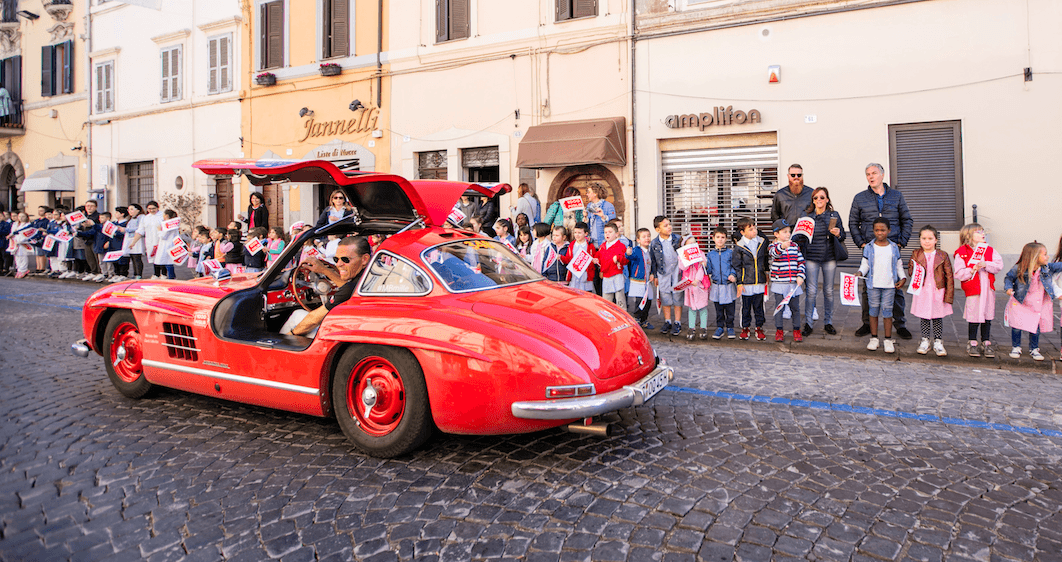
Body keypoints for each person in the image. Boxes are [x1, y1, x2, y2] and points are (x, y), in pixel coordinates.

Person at [849, 163, 914, 339]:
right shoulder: (860, 198)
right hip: (870, 249)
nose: (871, 177)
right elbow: (853, 223)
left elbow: (907, 219)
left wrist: (901, 242)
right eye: (868, 174)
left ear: (882, 175)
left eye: (874, 173)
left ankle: (899, 324)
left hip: (892, 249)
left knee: (896, 287)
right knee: (867, 287)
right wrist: (861, 243)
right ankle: (866, 323)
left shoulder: (896, 196)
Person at [282, 236, 371, 337]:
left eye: (346, 260)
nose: (338, 264)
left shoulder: (351, 287)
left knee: (297, 316)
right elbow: (348, 289)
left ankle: (278, 350)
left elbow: (313, 320)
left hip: (347, 334)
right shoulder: (369, 277)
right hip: (360, 328)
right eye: (336, 259)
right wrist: (324, 270)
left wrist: (289, 336)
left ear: (364, 259)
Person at [798, 187, 846, 337]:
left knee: (829, 292)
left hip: (829, 257)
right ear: (812, 200)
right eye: (815, 198)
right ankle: (809, 323)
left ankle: (828, 322)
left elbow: (843, 235)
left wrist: (838, 233)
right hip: (811, 257)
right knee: (811, 291)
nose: (818, 200)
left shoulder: (834, 215)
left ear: (827, 199)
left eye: (821, 197)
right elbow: (799, 237)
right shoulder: (807, 216)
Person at [1004, 242, 1062, 362]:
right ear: (1034, 257)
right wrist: (1008, 288)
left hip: (1037, 302)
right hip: (1021, 301)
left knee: (1036, 326)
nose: (1047, 257)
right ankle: (1016, 347)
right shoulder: (1019, 268)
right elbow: (1009, 277)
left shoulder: (1047, 268)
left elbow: (1060, 266)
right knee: (1017, 325)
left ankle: (1034, 348)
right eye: (1044, 254)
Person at [952, 223, 1003, 358]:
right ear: (969, 235)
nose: (983, 234)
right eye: (978, 232)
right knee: (974, 315)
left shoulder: (990, 250)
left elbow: (999, 265)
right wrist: (971, 269)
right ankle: (972, 341)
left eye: (983, 231)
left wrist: (986, 264)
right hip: (974, 290)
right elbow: (958, 273)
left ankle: (986, 341)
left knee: (987, 315)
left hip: (987, 289)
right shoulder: (962, 252)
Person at [858, 218, 908, 354]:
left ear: (889, 231)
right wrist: (860, 272)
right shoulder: (869, 247)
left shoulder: (893, 248)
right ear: (873, 231)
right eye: (877, 230)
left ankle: (887, 339)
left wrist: (903, 278)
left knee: (887, 312)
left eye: (883, 230)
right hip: (873, 285)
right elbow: (865, 264)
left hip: (889, 285)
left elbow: (898, 264)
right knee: (873, 311)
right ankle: (874, 338)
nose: (880, 233)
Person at [908, 225, 954, 356]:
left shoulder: (942, 255)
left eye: (930, 238)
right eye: (923, 238)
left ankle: (938, 341)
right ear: (919, 240)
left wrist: (949, 295)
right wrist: (913, 268)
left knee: (937, 316)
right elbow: (911, 271)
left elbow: (949, 276)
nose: (926, 241)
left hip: (938, 290)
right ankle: (925, 340)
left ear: (936, 240)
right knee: (924, 316)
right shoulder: (916, 254)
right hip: (922, 290)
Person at [769, 219, 806, 343]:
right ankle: (779, 330)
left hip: (793, 284)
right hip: (779, 283)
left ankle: (796, 329)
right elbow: (774, 254)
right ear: (776, 234)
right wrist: (782, 246)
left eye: (789, 232)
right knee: (779, 307)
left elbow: (801, 262)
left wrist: (800, 275)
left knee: (795, 308)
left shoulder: (795, 246)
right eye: (784, 232)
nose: (788, 234)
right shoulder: (773, 246)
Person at [733, 217, 769, 341]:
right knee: (746, 307)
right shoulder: (739, 247)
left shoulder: (762, 242)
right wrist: (739, 282)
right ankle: (745, 327)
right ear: (742, 232)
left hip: (759, 280)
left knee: (759, 306)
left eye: (754, 228)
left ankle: (759, 327)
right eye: (751, 229)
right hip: (746, 282)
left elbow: (764, 259)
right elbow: (737, 266)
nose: (754, 231)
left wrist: (766, 273)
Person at [651, 215, 683, 336]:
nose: (669, 227)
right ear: (658, 229)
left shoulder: (678, 239)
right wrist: (654, 275)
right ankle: (668, 321)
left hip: (676, 272)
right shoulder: (654, 243)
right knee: (665, 297)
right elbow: (653, 260)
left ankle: (677, 322)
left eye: (669, 224)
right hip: (663, 273)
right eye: (665, 226)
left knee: (677, 297)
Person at [706, 227, 737, 340]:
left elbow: (735, 266)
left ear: (726, 239)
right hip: (716, 285)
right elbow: (708, 270)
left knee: (730, 308)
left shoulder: (730, 253)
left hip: (728, 285)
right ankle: (720, 327)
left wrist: (733, 275)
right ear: (713, 238)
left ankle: (730, 327)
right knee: (718, 309)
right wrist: (704, 264)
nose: (720, 240)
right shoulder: (710, 255)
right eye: (718, 237)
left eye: (723, 237)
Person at [681, 237, 710, 341]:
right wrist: (685, 259)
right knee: (691, 308)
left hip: (700, 285)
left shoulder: (701, 253)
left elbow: (703, 268)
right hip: (689, 286)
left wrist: (697, 280)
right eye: (689, 244)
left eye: (694, 243)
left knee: (703, 307)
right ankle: (691, 327)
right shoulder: (683, 256)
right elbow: (682, 268)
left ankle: (703, 327)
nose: (692, 245)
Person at [596, 221, 631, 308]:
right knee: (607, 301)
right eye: (605, 232)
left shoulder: (621, 246)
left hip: (616, 274)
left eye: (610, 232)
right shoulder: (603, 246)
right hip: (606, 276)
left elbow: (626, 260)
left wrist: (618, 258)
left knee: (620, 300)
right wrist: (595, 260)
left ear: (616, 234)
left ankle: (622, 318)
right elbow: (599, 258)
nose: (607, 234)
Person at [627, 228, 655, 331]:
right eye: (644, 237)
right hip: (638, 281)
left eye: (648, 236)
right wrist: (628, 254)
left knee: (648, 302)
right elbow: (630, 257)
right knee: (639, 301)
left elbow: (651, 265)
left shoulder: (650, 251)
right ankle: (637, 319)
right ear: (638, 240)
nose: (647, 238)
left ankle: (644, 320)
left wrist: (652, 273)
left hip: (647, 282)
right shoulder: (636, 250)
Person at [562, 222, 596, 292]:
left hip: (586, 275)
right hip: (574, 275)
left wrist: (594, 261)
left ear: (586, 234)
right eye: (575, 232)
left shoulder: (590, 246)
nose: (577, 235)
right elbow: (568, 259)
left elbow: (594, 258)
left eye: (579, 233)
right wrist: (561, 258)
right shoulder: (572, 245)